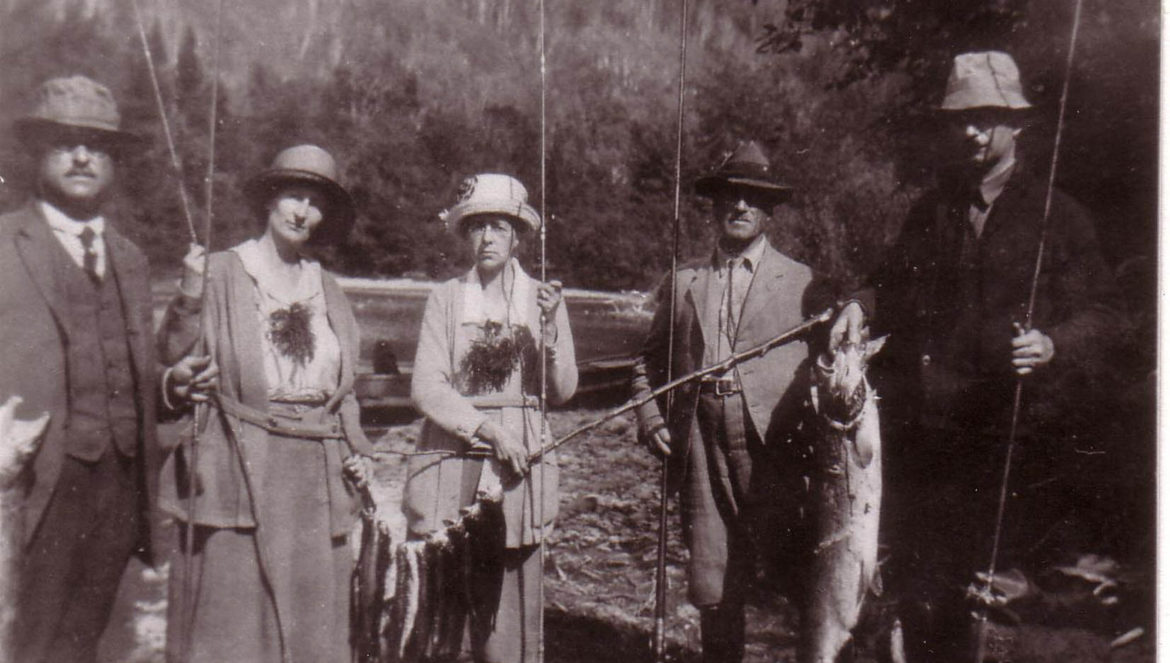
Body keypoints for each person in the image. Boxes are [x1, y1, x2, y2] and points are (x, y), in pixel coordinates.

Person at [829, 51, 1124, 659]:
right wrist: (860, 304)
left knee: (997, 609)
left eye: (986, 118)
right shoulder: (932, 212)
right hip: (930, 445)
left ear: (1017, 124)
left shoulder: (1056, 216)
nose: (971, 131)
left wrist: (1052, 344)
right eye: (960, 119)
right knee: (924, 596)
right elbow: (888, 283)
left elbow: (1108, 315)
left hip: (1013, 447)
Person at [0, 75, 213, 663]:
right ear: (37, 153)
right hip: (30, 490)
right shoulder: (2, 245)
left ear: (114, 163)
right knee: (25, 640)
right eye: (64, 142)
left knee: (84, 640)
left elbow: (140, 373)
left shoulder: (129, 258)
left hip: (118, 490)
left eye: (96, 146)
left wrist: (174, 377)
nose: (81, 156)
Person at [157, 144, 375, 662]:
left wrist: (358, 447)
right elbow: (171, 358)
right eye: (293, 196)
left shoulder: (327, 287)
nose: (302, 212)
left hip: (316, 477)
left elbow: (342, 389)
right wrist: (189, 295)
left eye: (314, 202)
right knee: (234, 625)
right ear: (270, 201)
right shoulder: (221, 271)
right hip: (239, 464)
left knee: (311, 625)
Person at [631, 142, 835, 663]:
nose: (740, 207)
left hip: (775, 446)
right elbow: (647, 363)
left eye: (752, 198)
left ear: (769, 211)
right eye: (729, 196)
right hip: (699, 438)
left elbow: (838, 362)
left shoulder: (804, 282)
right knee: (713, 576)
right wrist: (651, 414)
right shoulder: (682, 284)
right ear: (715, 206)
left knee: (797, 572)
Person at [403, 173, 577, 663]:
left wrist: (550, 331)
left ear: (516, 235)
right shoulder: (445, 298)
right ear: (465, 235)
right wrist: (486, 429)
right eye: (477, 227)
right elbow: (427, 386)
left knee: (508, 612)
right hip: (452, 455)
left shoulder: (544, 298)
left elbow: (562, 390)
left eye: (498, 227)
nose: (486, 238)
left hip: (517, 466)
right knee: (444, 605)